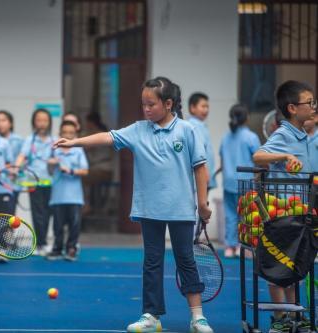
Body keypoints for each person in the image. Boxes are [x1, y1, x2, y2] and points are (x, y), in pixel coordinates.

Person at [54, 77, 214, 333]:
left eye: (151, 104)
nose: (146, 109)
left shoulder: (187, 130)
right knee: (152, 261)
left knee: (186, 260)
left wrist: (202, 203)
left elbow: (200, 168)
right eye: (143, 104)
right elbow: (108, 136)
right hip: (149, 209)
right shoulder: (139, 129)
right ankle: (151, 316)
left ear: (168, 103)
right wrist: (74, 142)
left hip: (181, 209)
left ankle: (198, 317)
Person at [253, 80, 316, 333]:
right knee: (278, 267)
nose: (313, 106)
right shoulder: (284, 133)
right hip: (282, 214)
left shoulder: (305, 136)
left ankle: (294, 315)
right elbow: (258, 156)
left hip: (302, 212)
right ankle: (280, 317)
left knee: (295, 267)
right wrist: (284, 156)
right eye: (309, 102)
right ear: (292, 108)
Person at [219, 104, 260, 258]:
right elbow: (259, 159)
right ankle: (243, 247)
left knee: (230, 215)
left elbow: (223, 161)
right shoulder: (251, 137)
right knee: (247, 215)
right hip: (246, 183)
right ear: (247, 117)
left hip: (228, 182)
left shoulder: (225, 137)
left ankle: (230, 247)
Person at [15, 109, 57, 256]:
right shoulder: (29, 139)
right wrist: (16, 165)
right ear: (34, 122)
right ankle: (40, 244)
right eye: (39, 120)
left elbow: (59, 159)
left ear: (49, 122)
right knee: (37, 213)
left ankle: (44, 241)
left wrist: (55, 161)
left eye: (45, 120)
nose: (42, 123)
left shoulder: (54, 140)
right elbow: (22, 155)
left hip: (51, 182)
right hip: (33, 182)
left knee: (48, 213)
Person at [46, 120, 88, 261]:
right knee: (57, 225)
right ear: (60, 134)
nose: (68, 135)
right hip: (57, 196)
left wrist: (70, 170)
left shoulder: (78, 150)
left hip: (74, 197)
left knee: (74, 225)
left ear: (75, 134)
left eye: (71, 133)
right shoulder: (54, 150)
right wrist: (51, 164)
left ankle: (71, 249)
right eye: (65, 132)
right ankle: (57, 249)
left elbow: (85, 171)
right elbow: (50, 171)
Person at [188, 93, 217, 190]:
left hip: (204, 175)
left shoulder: (200, 125)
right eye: (203, 106)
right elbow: (198, 152)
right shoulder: (193, 126)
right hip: (201, 176)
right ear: (192, 108)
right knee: (201, 203)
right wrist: (204, 171)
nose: (206, 110)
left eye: (207, 107)